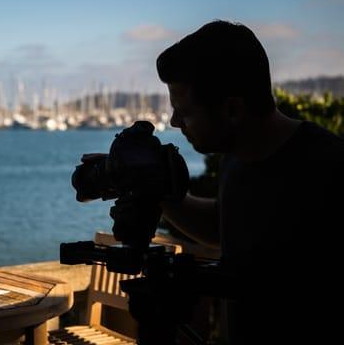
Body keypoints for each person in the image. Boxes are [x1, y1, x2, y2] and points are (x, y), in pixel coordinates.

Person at [124, 20, 343, 344]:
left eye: (184, 111)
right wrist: (159, 192)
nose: (174, 121)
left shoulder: (327, 168)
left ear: (232, 110)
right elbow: (223, 224)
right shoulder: (238, 155)